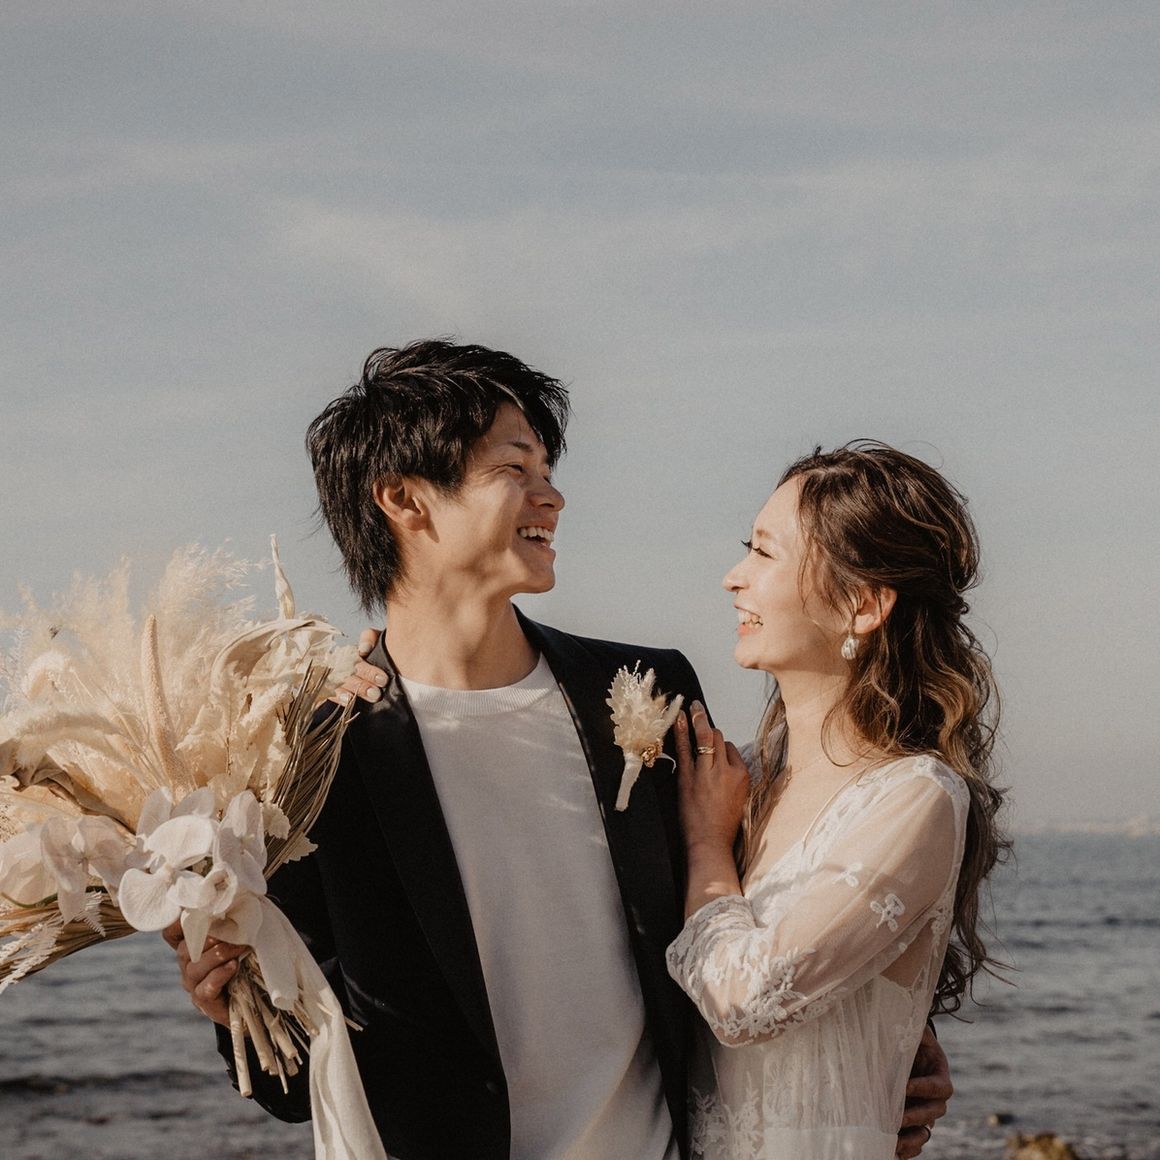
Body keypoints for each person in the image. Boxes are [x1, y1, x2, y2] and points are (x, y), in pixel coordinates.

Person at [168, 341, 950, 1159]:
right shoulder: (312, 750)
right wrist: (231, 1003)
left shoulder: (646, 690)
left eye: (548, 467)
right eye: (516, 468)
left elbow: (761, 891)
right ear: (404, 499)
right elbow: (297, 1087)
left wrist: (883, 1043)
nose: (553, 496)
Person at [665, 444, 1007, 1159]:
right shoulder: (738, 779)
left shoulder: (914, 796)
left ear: (863, 605)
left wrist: (704, 846)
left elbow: (746, 1001)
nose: (734, 577)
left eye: (765, 553)